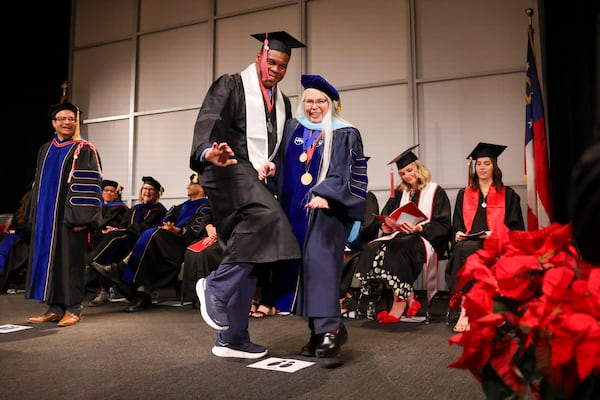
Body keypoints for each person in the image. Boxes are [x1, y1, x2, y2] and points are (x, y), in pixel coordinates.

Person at [190, 31, 303, 359]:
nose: (276, 70)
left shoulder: (282, 102)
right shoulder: (231, 85)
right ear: (259, 57)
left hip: (259, 181)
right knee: (269, 224)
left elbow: (275, 148)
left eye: (282, 66)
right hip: (229, 174)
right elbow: (208, 120)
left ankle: (233, 337)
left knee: (250, 255)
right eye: (272, 62)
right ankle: (215, 286)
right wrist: (208, 151)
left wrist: (269, 167)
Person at [271, 74, 368, 366]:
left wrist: (328, 195)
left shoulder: (344, 132)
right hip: (294, 212)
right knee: (301, 268)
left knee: (320, 266)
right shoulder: (292, 128)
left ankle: (331, 328)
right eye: (309, 101)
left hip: (328, 211)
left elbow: (349, 172)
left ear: (332, 104)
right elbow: (281, 163)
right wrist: (269, 170)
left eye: (321, 101)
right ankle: (316, 331)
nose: (314, 107)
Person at [354, 145, 452, 324]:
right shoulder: (400, 193)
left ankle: (399, 302)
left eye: (409, 170)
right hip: (400, 237)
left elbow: (444, 224)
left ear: (418, 168)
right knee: (373, 248)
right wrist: (387, 226)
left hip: (425, 238)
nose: (407, 176)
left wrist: (420, 229)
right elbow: (386, 217)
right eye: (403, 174)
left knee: (396, 250)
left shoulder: (436, 191)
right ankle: (409, 296)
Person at [26, 102, 103, 327]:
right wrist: (33, 216)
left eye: (71, 118)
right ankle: (55, 307)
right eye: (61, 118)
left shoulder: (84, 149)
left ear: (75, 122)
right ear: (54, 123)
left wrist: (82, 219)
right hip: (46, 219)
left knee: (70, 262)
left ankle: (74, 308)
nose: (66, 122)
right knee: (49, 261)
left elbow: (88, 186)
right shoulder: (45, 149)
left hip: (70, 219)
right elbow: (37, 184)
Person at [445, 142, 525, 332]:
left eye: (487, 163)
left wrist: (496, 233)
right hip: (468, 243)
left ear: (494, 166)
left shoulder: (509, 195)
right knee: (463, 250)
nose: (482, 167)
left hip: (497, 243)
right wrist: (457, 232)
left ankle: (492, 309)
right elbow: (457, 222)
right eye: (479, 163)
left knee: (474, 252)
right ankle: (466, 308)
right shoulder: (464, 194)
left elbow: (516, 228)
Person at [109, 174, 218, 312]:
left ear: (202, 188)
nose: (187, 186)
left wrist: (177, 230)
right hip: (166, 240)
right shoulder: (179, 207)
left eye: (192, 184)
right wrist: (165, 226)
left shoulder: (206, 207)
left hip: (181, 243)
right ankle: (140, 290)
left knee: (153, 234)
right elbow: (162, 223)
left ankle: (122, 270)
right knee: (153, 233)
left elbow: (196, 232)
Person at [87, 176, 167, 301]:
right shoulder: (135, 208)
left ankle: (94, 262)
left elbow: (146, 228)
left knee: (114, 237)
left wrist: (121, 230)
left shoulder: (159, 210)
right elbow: (123, 224)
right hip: (127, 237)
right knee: (111, 235)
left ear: (157, 193)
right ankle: (102, 276)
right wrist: (116, 228)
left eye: (151, 190)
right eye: (145, 188)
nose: (147, 192)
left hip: (142, 242)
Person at [85, 179, 129, 303]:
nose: (109, 193)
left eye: (112, 191)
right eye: (106, 190)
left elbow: (123, 225)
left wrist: (112, 230)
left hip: (110, 240)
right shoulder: (96, 207)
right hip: (94, 238)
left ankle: (104, 289)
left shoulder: (121, 208)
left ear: (116, 194)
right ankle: (89, 290)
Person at [339, 190, 380, 316]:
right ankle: (345, 296)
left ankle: (340, 299)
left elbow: (369, 223)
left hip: (361, 241)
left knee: (351, 259)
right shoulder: (340, 196)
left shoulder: (367, 197)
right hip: (341, 241)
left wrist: (350, 238)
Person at [0, 183, 33, 293]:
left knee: (7, 241)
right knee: (4, 237)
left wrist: (17, 231)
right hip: (16, 234)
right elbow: (14, 225)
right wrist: (13, 230)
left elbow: (30, 228)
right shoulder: (20, 211)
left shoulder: (36, 209)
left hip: (26, 237)